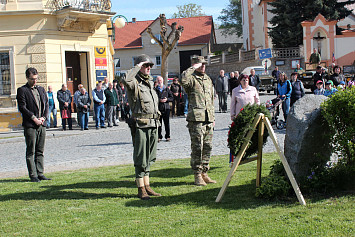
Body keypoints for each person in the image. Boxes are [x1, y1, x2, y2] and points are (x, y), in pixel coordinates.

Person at [121, 54, 161, 200]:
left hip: (153, 123)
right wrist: (137, 66)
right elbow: (125, 79)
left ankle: (147, 185)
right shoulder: (134, 82)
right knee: (140, 157)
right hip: (141, 125)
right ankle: (140, 188)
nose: (149, 68)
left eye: (150, 65)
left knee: (150, 157)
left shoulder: (149, 82)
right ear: (139, 67)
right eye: (146, 65)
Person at [180, 55, 216, 186]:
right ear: (195, 65)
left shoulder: (208, 79)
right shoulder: (191, 79)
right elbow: (182, 79)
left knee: (208, 146)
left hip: (208, 118)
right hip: (196, 119)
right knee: (197, 147)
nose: (203, 66)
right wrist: (193, 67)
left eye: (204, 64)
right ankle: (197, 174)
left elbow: (211, 99)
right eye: (201, 64)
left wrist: (213, 118)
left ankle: (205, 172)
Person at [16, 67, 51, 182]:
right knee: (31, 150)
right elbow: (23, 107)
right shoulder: (22, 90)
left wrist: (43, 118)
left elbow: (46, 105)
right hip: (30, 125)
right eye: (32, 79)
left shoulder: (41, 89)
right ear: (27, 78)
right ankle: (33, 175)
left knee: (40, 150)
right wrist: (34, 118)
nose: (35, 81)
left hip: (42, 123)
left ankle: (40, 173)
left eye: (36, 79)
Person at [155, 76, 173, 142]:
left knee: (167, 123)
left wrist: (167, 99)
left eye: (161, 80)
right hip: (159, 109)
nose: (160, 81)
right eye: (158, 80)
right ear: (157, 81)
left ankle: (167, 136)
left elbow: (172, 98)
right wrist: (159, 100)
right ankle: (159, 136)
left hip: (166, 108)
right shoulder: (155, 89)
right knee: (159, 124)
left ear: (163, 81)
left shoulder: (166, 89)